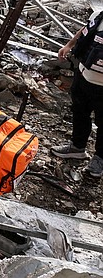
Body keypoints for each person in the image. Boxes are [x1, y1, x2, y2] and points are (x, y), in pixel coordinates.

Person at [53, 9, 103, 177]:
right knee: (79, 112)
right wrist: (69, 45)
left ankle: (100, 159)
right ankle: (77, 147)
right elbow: (85, 30)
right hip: (83, 76)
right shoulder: (98, 15)